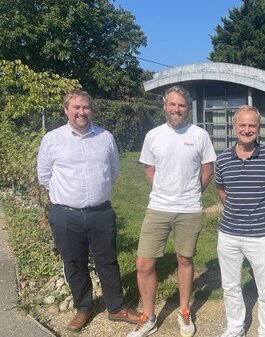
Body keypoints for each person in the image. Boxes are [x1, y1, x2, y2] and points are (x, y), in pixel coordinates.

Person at [37, 89, 140, 332]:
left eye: (86, 107)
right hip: (65, 214)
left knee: (108, 261)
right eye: (76, 107)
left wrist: (95, 193)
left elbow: (113, 171)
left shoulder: (105, 137)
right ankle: (84, 308)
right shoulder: (52, 139)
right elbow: (44, 175)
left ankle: (116, 308)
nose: (82, 112)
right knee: (74, 262)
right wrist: (68, 196)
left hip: (100, 213)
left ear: (91, 110)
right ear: (66, 110)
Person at [127, 85, 216, 337]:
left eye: (181, 105)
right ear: (165, 106)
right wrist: (162, 189)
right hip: (158, 207)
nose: (176, 109)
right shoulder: (153, 135)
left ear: (188, 109)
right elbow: (148, 168)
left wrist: (194, 191)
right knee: (144, 263)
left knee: (184, 260)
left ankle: (184, 310)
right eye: (172, 104)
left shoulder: (199, 135)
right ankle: (149, 316)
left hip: (188, 209)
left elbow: (207, 167)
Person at [215, 105, 265, 337]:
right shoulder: (223, 159)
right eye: (243, 125)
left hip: (259, 235)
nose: (247, 130)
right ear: (234, 126)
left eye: (252, 125)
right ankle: (235, 327)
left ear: (258, 128)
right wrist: (236, 209)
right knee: (230, 286)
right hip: (228, 234)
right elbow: (220, 189)